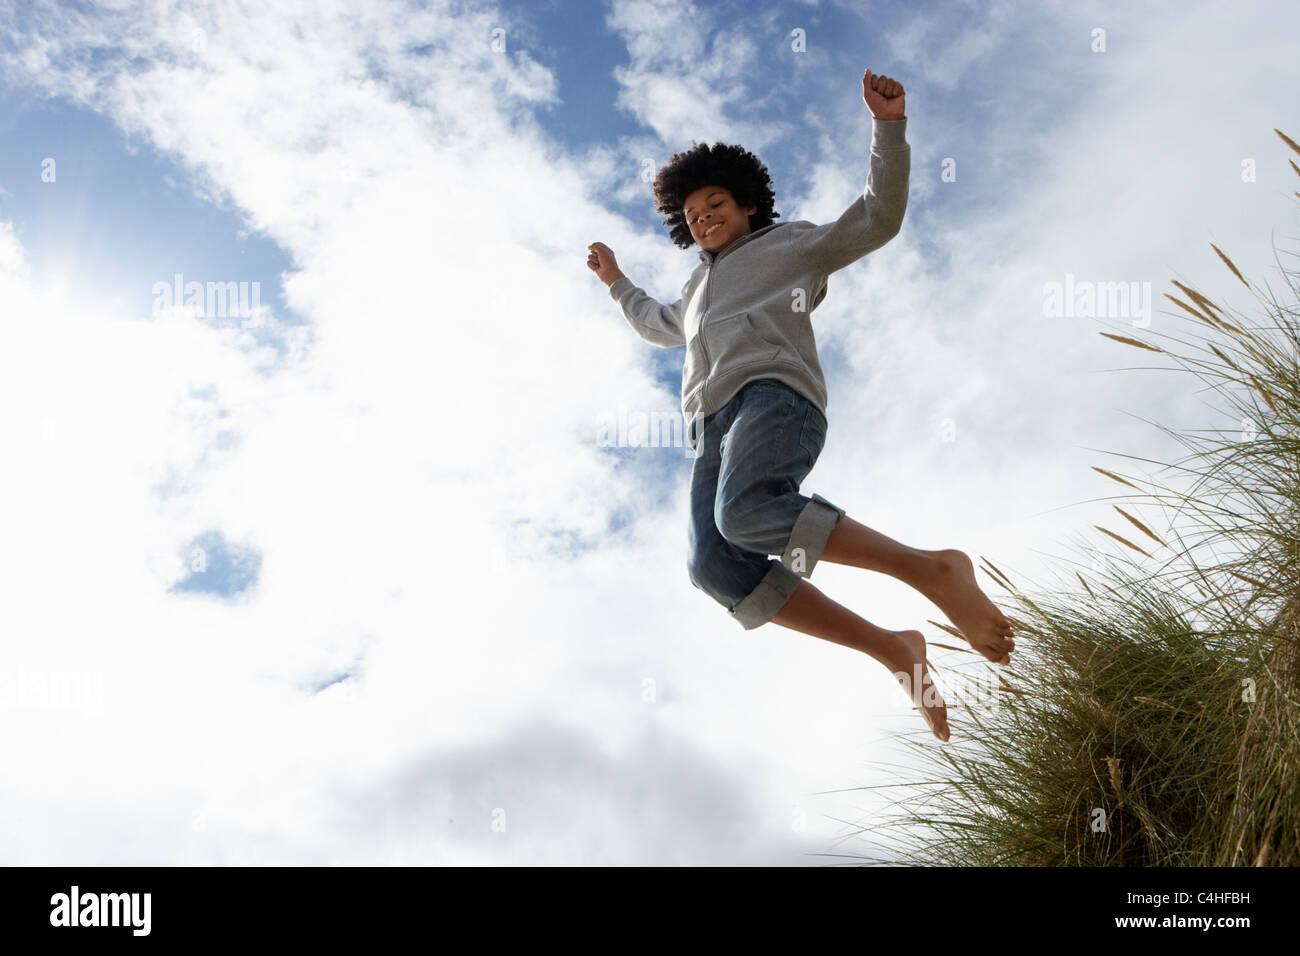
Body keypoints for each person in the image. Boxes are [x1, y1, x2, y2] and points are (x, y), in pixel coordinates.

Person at [586, 69, 1014, 742]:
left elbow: (877, 217)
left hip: (774, 398)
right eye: (693, 214)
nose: (704, 217)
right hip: (710, 431)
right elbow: (656, 323)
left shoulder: (790, 247)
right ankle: (893, 648)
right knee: (713, 563)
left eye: (716, 202)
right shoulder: (695, 289)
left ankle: (932, 569)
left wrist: (888, 128)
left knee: (749, 512)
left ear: (748, 203)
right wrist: (616, 282)